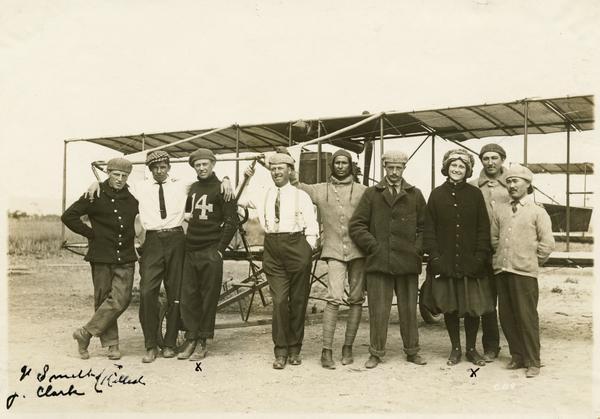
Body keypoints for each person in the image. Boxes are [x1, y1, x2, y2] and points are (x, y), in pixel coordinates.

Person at [87, 150, 233, 363]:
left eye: (163, 167)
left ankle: (170, 343)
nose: (159, 171)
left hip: (176, 239)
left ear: (168, 167)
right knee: (147, 292)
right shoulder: (140, 186)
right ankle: (151, 344)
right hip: (153, 241)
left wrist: (227, 180)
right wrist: (95, 184)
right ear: (150, 170)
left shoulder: (183, 184)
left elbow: (209, 181)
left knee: (176, 293)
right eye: (155, 168)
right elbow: (114, 186)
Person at [240, 152, 319, 369]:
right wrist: (245, 178)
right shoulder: (263, 193)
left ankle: (295, 349)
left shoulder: (300, 195)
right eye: (273, 169)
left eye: (281, 168)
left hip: (296, 247)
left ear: (290, 171)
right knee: (280, 301)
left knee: (299, 300)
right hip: (273, 248)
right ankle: (281, 350)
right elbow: (239, 200)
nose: (276, 172)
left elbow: (312, 226)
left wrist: (307, 249)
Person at [349, 150, 427, 368]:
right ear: (384, 168)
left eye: (398, 168)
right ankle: (376, 352)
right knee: (378, 311)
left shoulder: (415, 194)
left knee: (409, 310)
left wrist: (416, 249)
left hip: (407, 262)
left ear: (404, 169)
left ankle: (412, 351)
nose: (394, 172)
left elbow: (424, 227)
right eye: (390, 167)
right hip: (379, 262)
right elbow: (356, 225)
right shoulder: (372, 194)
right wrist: (374, 247)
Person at [290, 149, 367, 369]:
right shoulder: (320, 190)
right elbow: (296, 185)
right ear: (332, 165)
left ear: (350, 166)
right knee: (333, 298)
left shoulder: (363, 191)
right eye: (337, 163)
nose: (341, 166)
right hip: (333, 251)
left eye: (345, 163)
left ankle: (348, 347)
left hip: (359, 252)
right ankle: (327, 350)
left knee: (356, 299)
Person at [62, 158, 138, 360]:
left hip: (126, 256)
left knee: (121, 299)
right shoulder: (94, 194)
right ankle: (112, 344)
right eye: (116, 175)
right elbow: (68, 216)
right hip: (101, 256)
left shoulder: (133, 197)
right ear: (108, 173)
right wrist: (91, 234)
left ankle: (85, 333)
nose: (120, 179)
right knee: (104, 298)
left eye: (124, 176)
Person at [423, 148, 493, 367]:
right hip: (445, 262)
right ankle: (455, 349)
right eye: (453, 165)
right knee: (450, 306)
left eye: (462, 166)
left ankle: (472, 349)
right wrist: (435, 257)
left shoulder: (475, 194)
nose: (457, 169)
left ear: (467, 170)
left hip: (471, 262)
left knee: (472, 308)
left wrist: (480, 257)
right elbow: (429, 229)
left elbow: (484, 227)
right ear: (447, 167)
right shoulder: (436, 194)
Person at [491, 164, 554, 378]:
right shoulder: (501, 210)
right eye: (508, 181)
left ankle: (533, 361)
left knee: (527, 317)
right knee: (506, 316)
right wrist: (501, 258)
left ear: (528, 184)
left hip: (525, 274)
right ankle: (517, 356)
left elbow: (547, 244)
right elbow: (494, 239)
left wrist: (532, 262)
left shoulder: (538, 212)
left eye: (515, 181)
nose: (511, 185)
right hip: (502, 271)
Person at [177, 149, 239, 361]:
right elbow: (187, 215)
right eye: (198, 165)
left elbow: (232, 221)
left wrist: (220, 249)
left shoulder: (223, 188)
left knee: (208, 298)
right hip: (191, 249)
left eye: (205, 164)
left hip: (211, 250)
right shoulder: (192, 188)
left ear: (213, 164)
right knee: (189, 297)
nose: (202, 168)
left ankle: (203, 341)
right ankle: (191, 338)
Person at [470, 143, 510, 362]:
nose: (490, 162)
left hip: (506, 250)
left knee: (509, 299)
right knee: (486, 301)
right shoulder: (474, 186)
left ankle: (518, 347)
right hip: (483, 251)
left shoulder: (512, 184)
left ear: (502, 159)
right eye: (486, 158)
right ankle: (491, 346)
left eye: (495, 158)